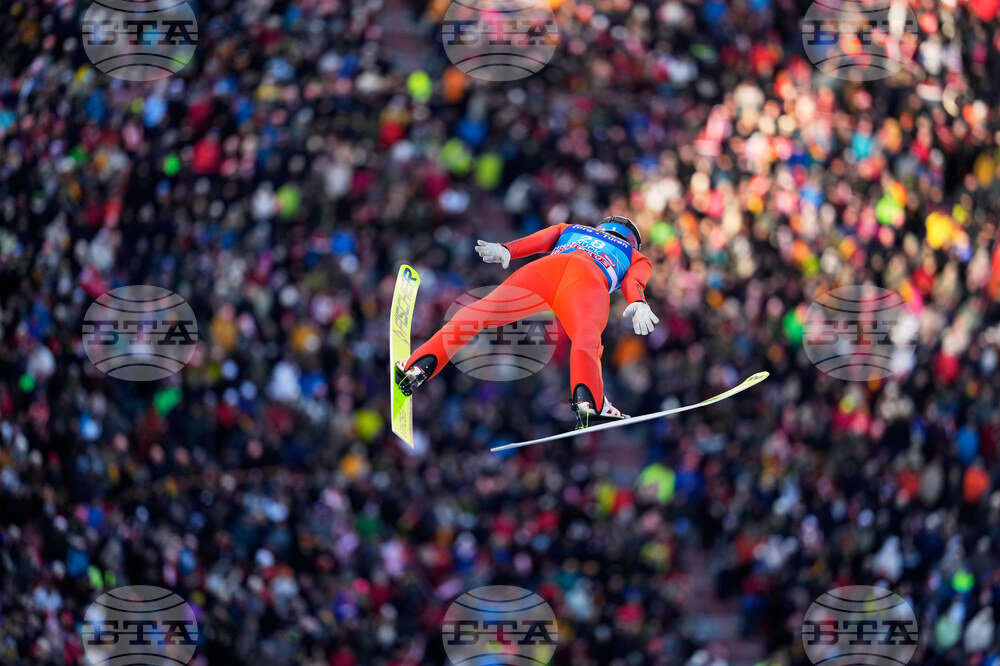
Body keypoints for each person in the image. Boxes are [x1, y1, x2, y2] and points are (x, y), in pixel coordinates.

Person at [394, 216, 659, 428]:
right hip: (588, 282)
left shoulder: (573, 228)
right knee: (585, 339)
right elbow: (634, 281)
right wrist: (637, 302)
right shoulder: (636, 256)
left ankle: (418, 364)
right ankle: (589, 404)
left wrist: (507, 249)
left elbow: (541, 239)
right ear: (632, 241)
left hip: (544, 271)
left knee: (482, 312)